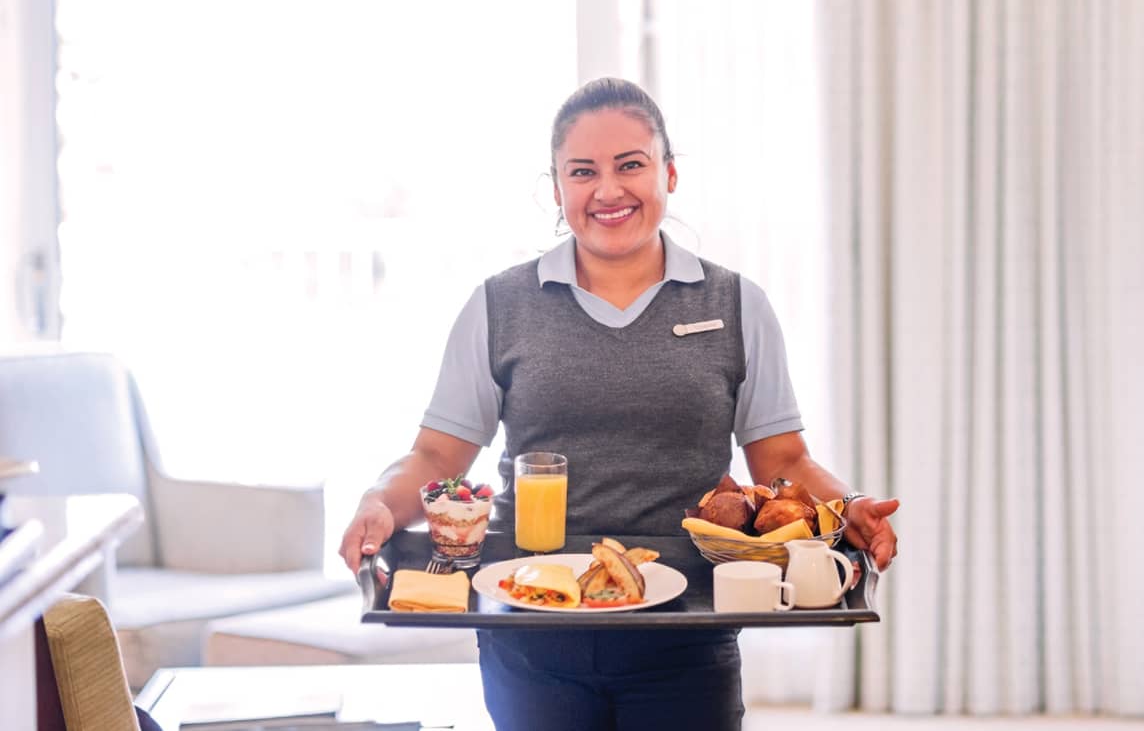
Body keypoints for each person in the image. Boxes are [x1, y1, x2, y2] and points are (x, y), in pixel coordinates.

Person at [338, 77, 899, 731]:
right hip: (531, 627)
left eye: (630, 164)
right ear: (556, 188)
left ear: (668, 173)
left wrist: (849, 506)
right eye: (583, 171)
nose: (607, 190)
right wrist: (378, 500)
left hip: (687, 630)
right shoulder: (499, 305)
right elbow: (436, 455)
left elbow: (785, 460)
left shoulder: (736, 304)